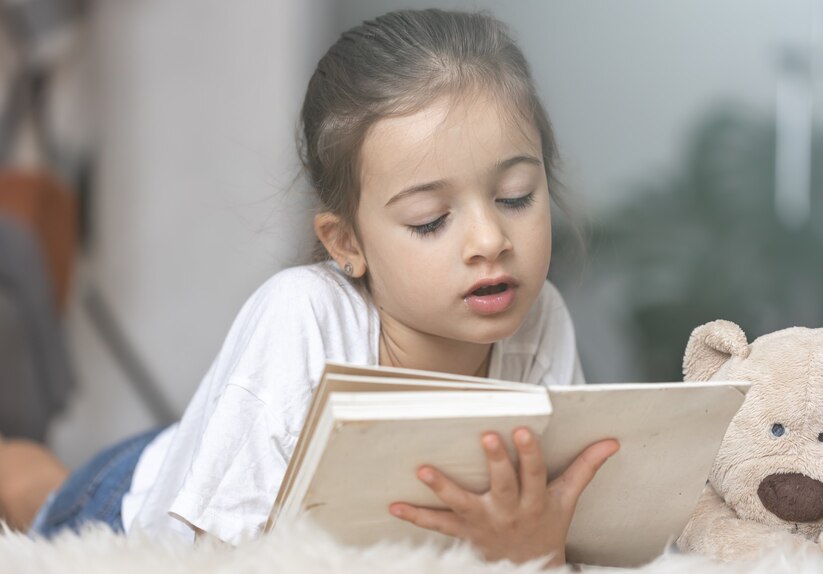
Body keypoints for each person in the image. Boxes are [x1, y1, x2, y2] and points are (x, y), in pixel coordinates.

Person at [0, 9, 619, 569]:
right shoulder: (303, 318)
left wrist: (538, 553)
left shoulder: (542, 319)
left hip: (228, 439)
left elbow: (556, 523)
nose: (490, 240)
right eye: (431, 220)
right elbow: (219, 556)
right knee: (35, 491)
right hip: (146, 493)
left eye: (515, 197)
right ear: (346, 243)